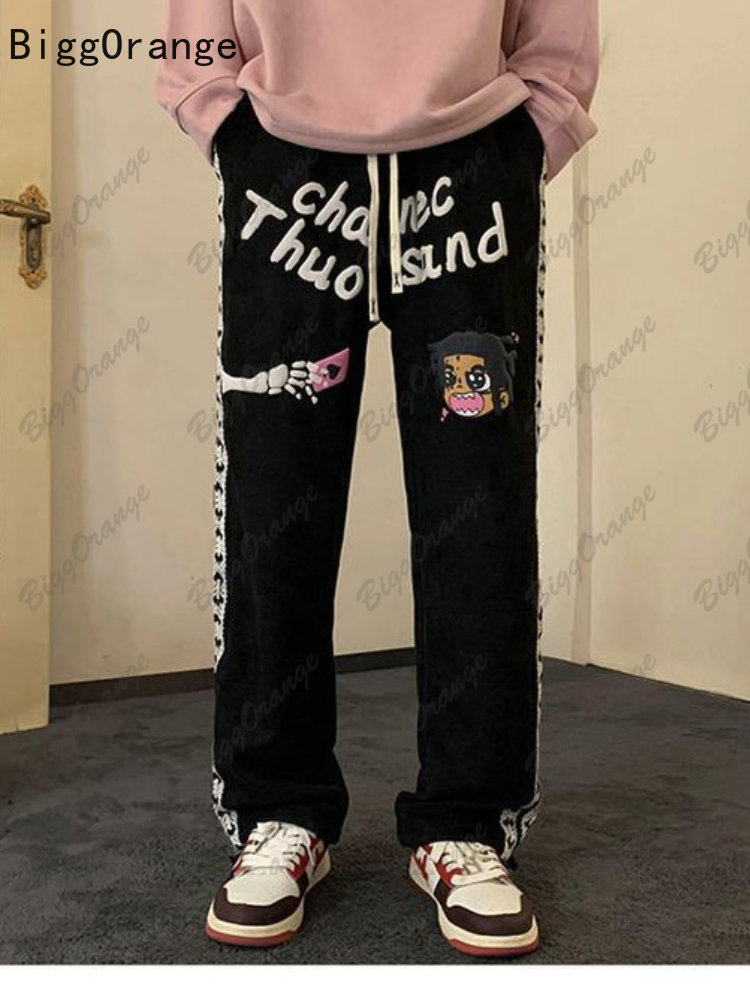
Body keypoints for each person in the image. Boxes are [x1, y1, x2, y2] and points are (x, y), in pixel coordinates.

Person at [155, 0, 599, 958]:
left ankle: (467, 822)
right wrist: (224, 121)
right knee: (275, 498)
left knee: (479, 504)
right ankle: (280, 809)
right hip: (286, 173)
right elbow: (194, 33)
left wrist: (536, 128)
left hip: (472, 169)